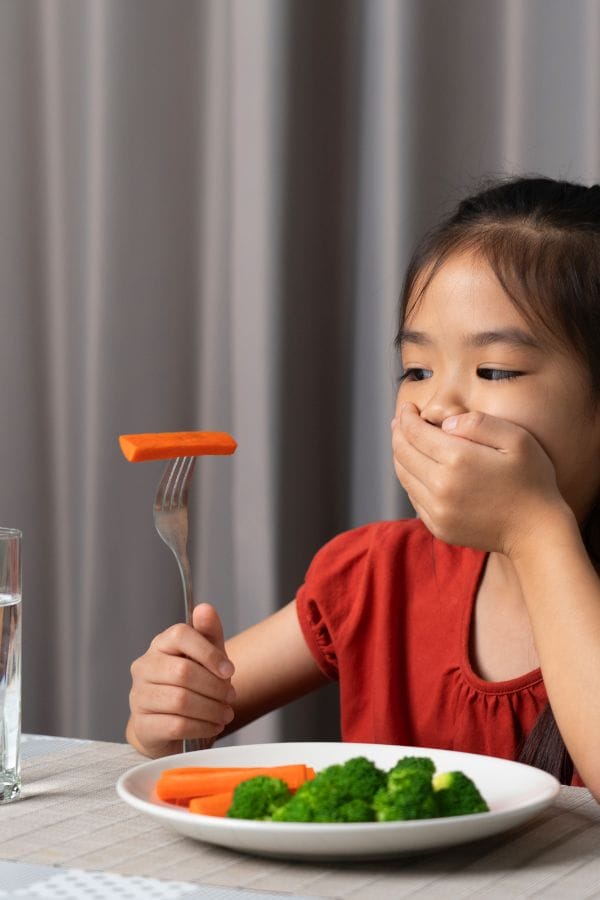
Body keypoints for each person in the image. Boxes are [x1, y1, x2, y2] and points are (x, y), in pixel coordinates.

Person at [127, 175, 600, 799]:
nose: (436, 404)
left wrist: (535, 529)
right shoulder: (376, 575)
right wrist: (166, 709)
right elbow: (184, 720)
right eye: (417, 369)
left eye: (495, 370)